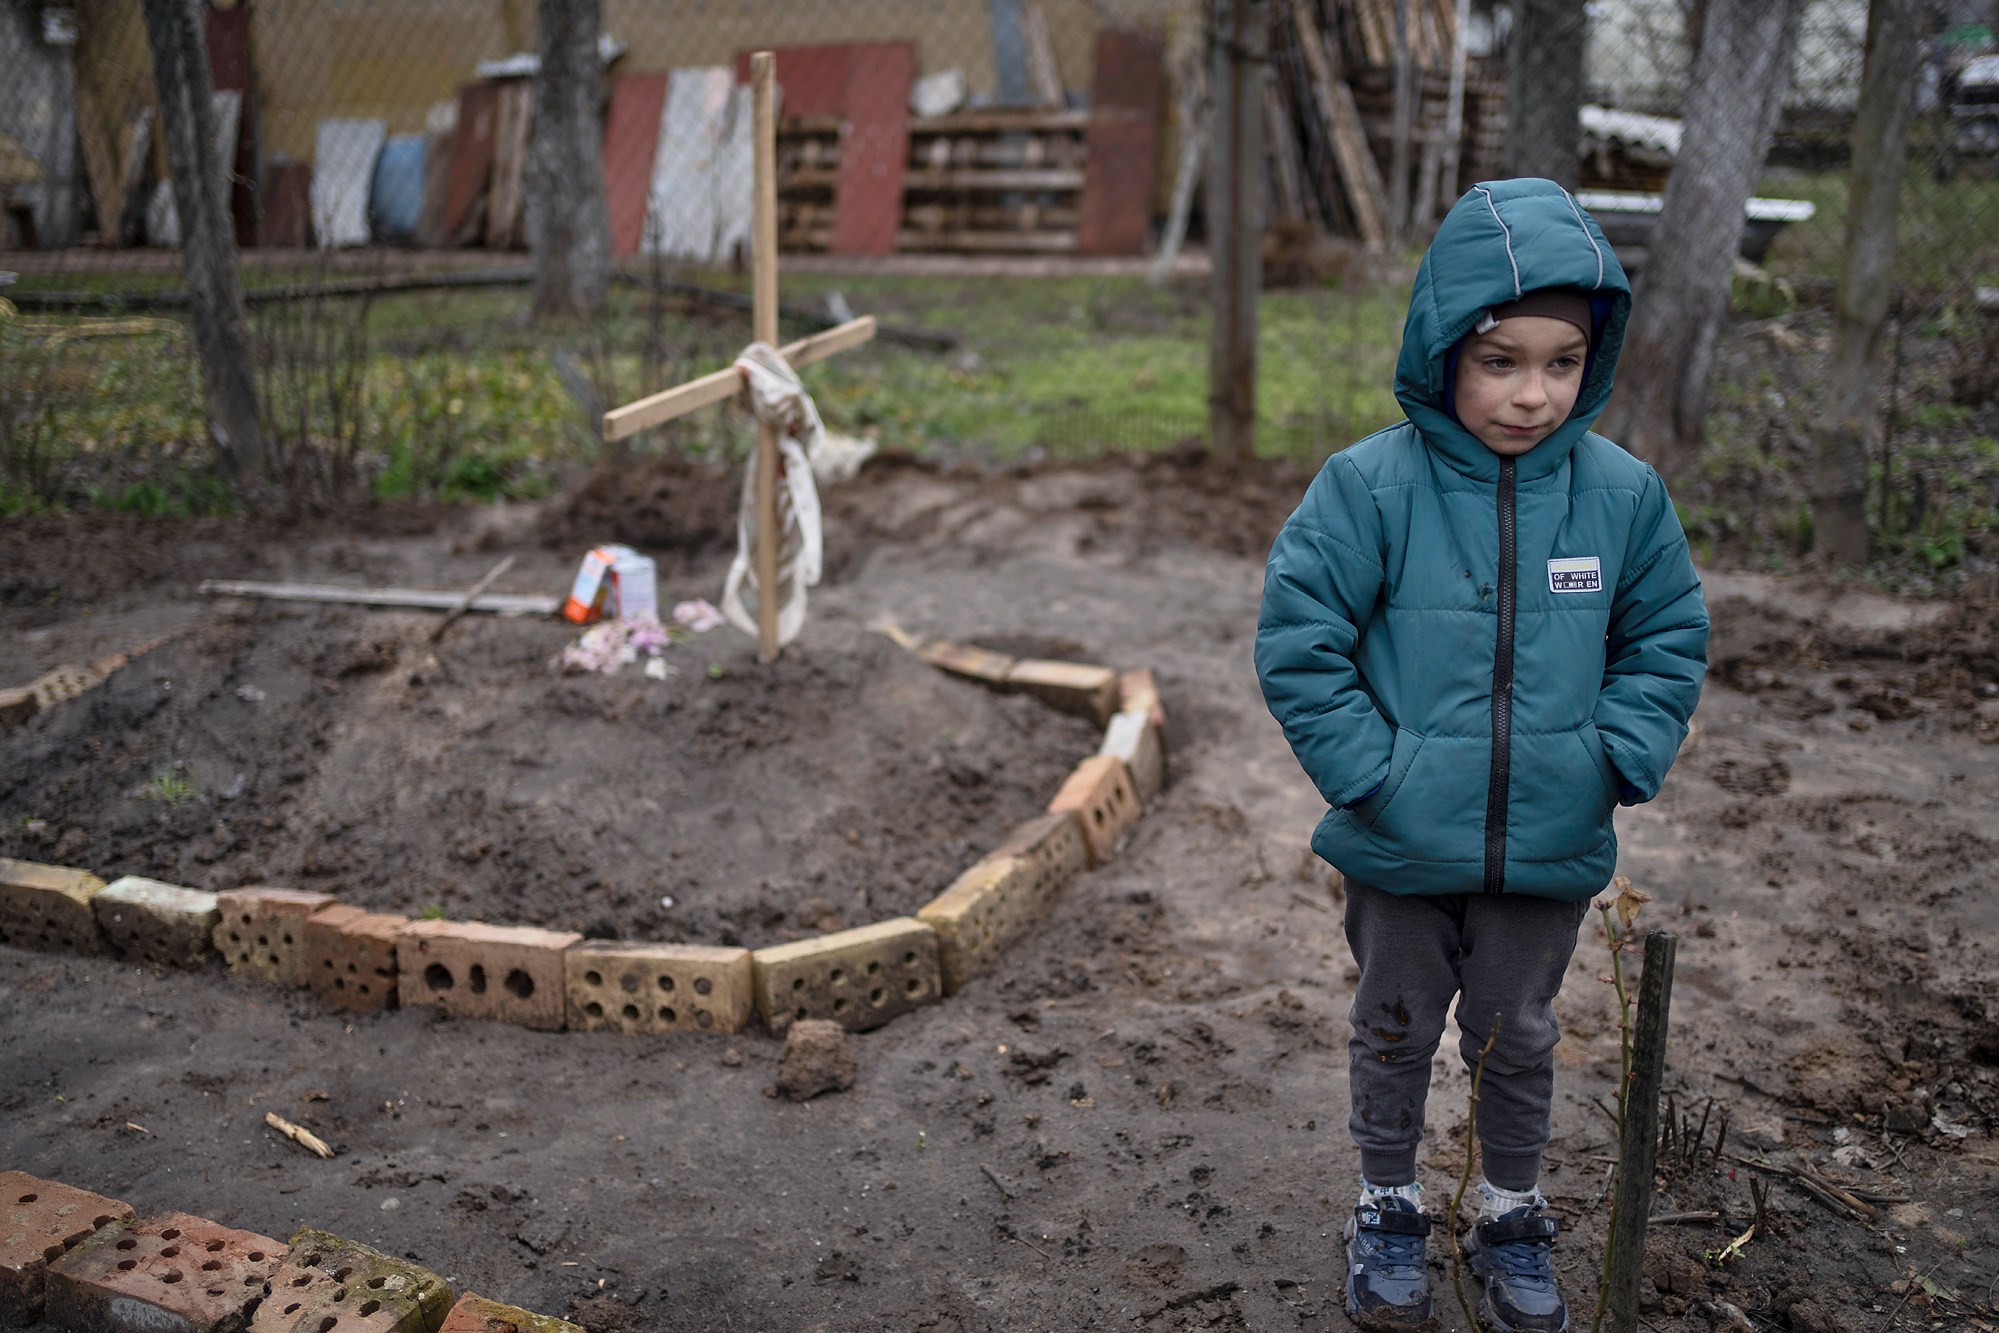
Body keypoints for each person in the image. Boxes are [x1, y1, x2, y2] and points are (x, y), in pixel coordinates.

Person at [1254, 179, 1708, 1332]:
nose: (1532, 393)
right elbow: (1299, 640)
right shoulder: (1368, 487)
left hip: (1549, 842)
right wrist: (1375, 778)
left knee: (1518, 1036)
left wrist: (1608, 759)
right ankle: (1390, 1200)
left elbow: (1666, 637)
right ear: (1442, 344)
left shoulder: (1621, 498)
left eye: (1561, 363)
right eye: (1501, 358)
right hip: (1399, 843)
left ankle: (1508, 1210)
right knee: (1393, 1026)